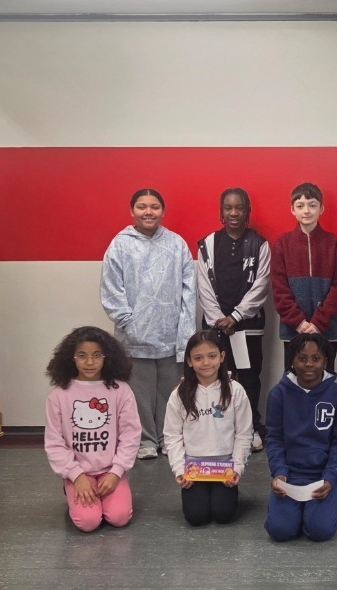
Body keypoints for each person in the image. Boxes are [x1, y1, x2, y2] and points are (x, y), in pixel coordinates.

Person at [101, 188, 195, 459]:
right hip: (134, 337)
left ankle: (169, 440)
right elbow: (110, 287)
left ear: (162, 211)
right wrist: (128, 321)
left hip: (170, 334)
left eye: (154, 207)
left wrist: (185, 331)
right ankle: (145, 441)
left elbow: (189, 289)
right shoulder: (120, 243)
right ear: (132, 211)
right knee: (139, 396)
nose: (148, 212)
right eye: (142, 207)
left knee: (170, 393)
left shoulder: (177, 244)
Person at [44, 326, 141, 532]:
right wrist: (76, 476)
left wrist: (116, 472)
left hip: (110, 470)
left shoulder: (120, 390)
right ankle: (69, 487)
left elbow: (130, 434)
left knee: (120, 517)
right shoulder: (59, 395)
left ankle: (110, 493)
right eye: (82, 355)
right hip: (79, 472)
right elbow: (54, 443)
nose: (89, 362)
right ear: (72, 358)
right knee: (88, 523)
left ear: (107, 357)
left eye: (97, 355)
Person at [197, 187, 270, 453]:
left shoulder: (260, 244)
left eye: (239, 207)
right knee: (216, 378)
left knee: (249, 379)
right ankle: (219, 429)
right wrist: (218, 319)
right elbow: (203, 285)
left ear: (248, 212)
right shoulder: (207, 244)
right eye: (228, 208)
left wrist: (236, 316)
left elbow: (261, 286)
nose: (234, 213)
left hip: (247, 327)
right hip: (216, 328)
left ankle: (249, 430)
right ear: (221, 212)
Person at [264, 333, 337, 542]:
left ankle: (321, 506)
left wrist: (331, 478)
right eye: (302, 358)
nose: (309, 364)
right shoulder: (278, 394)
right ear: (292, 360)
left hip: (322, 476)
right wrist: (279, 474)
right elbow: (274, 439)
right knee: (280, 532)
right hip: (289, 476)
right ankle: (292, 513)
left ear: (325, 361)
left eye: (316, 358)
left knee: (320, 532)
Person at [163, 330, 253, 526]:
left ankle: (226, 494)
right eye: (198, 358)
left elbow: (244, 433)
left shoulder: (235, 390)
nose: (206, 363)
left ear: (221, 357)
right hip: (193, 469)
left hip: (225, 467)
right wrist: (180, 470)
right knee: (196, 516)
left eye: (212, 356)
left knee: (223, 514)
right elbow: (172, 436)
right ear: (189, 361)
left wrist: (237, 467)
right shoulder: (179, 394)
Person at [271, 182, 337, 374]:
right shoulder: (282, 244)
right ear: (292, 209)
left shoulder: (334, 244)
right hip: (293, 331)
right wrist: (299, 322)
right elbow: (279, 289)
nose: (306, 211)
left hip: (326, 330)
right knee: (294, 381)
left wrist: (317, 323)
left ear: (321, 208)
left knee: (326, 378)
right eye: (300, 205)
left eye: (312, 205)